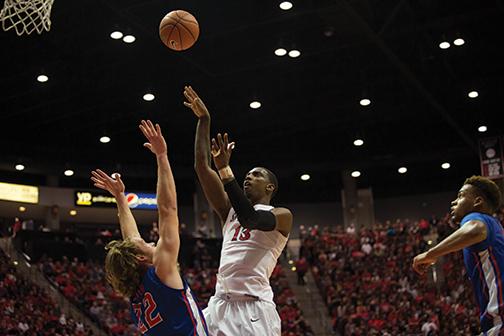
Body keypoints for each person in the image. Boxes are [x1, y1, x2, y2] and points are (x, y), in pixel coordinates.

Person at [184, 86, 293, 335]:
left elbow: (251, 218)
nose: (248, 177)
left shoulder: (282, 216)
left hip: (253, 309)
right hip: (220, 303)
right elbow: (201, 166)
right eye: (246, 174)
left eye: (255, 175)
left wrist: (225, 170)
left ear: (269, 186)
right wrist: (204, 120)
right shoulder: (228, 210)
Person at [90, 120, 208, 336]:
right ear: (140, 259)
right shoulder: (162, 272)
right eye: (145, 243)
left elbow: (131, 240)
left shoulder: (136, 297)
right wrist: (162, 156)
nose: (151, 241)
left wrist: (120, 198)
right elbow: (168, 209)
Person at [413, 175, 503, 335]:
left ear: (477, 202)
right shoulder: (496, 226)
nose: (453, 202)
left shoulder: (476, 217)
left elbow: (475, 229)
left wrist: (429, 254)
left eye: (461, 196)